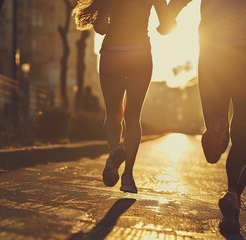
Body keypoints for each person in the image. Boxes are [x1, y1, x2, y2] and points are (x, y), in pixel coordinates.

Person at [169, 0, 246, 233]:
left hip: (215, 56)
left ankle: (218, 132)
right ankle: (233, 194)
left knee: (218, 119)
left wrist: (167, 19)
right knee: (243, 133)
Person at [73, 0, 177, 193]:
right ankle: (128, 177)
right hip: (140, 55)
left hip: (112, 54)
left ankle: (114, 149)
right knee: (132, 117)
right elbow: (167, 25)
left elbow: (101, 27)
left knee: (113, 114)